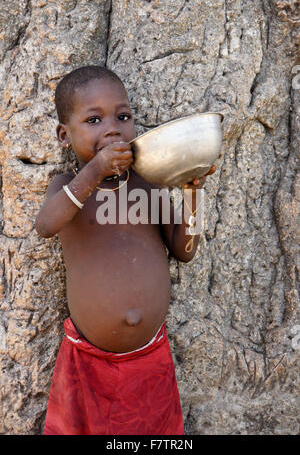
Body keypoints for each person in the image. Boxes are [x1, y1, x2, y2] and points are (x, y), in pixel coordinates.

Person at [35, 65, 215, 435]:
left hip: (150, 357)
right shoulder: (69, 186)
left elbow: (185, 250)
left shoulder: (147, 187)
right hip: (88, 362)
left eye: (123, 116)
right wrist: (95, 171)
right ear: (64, 135)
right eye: (94, 119)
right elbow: (46, 225)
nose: (113, 128)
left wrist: (193, 191)